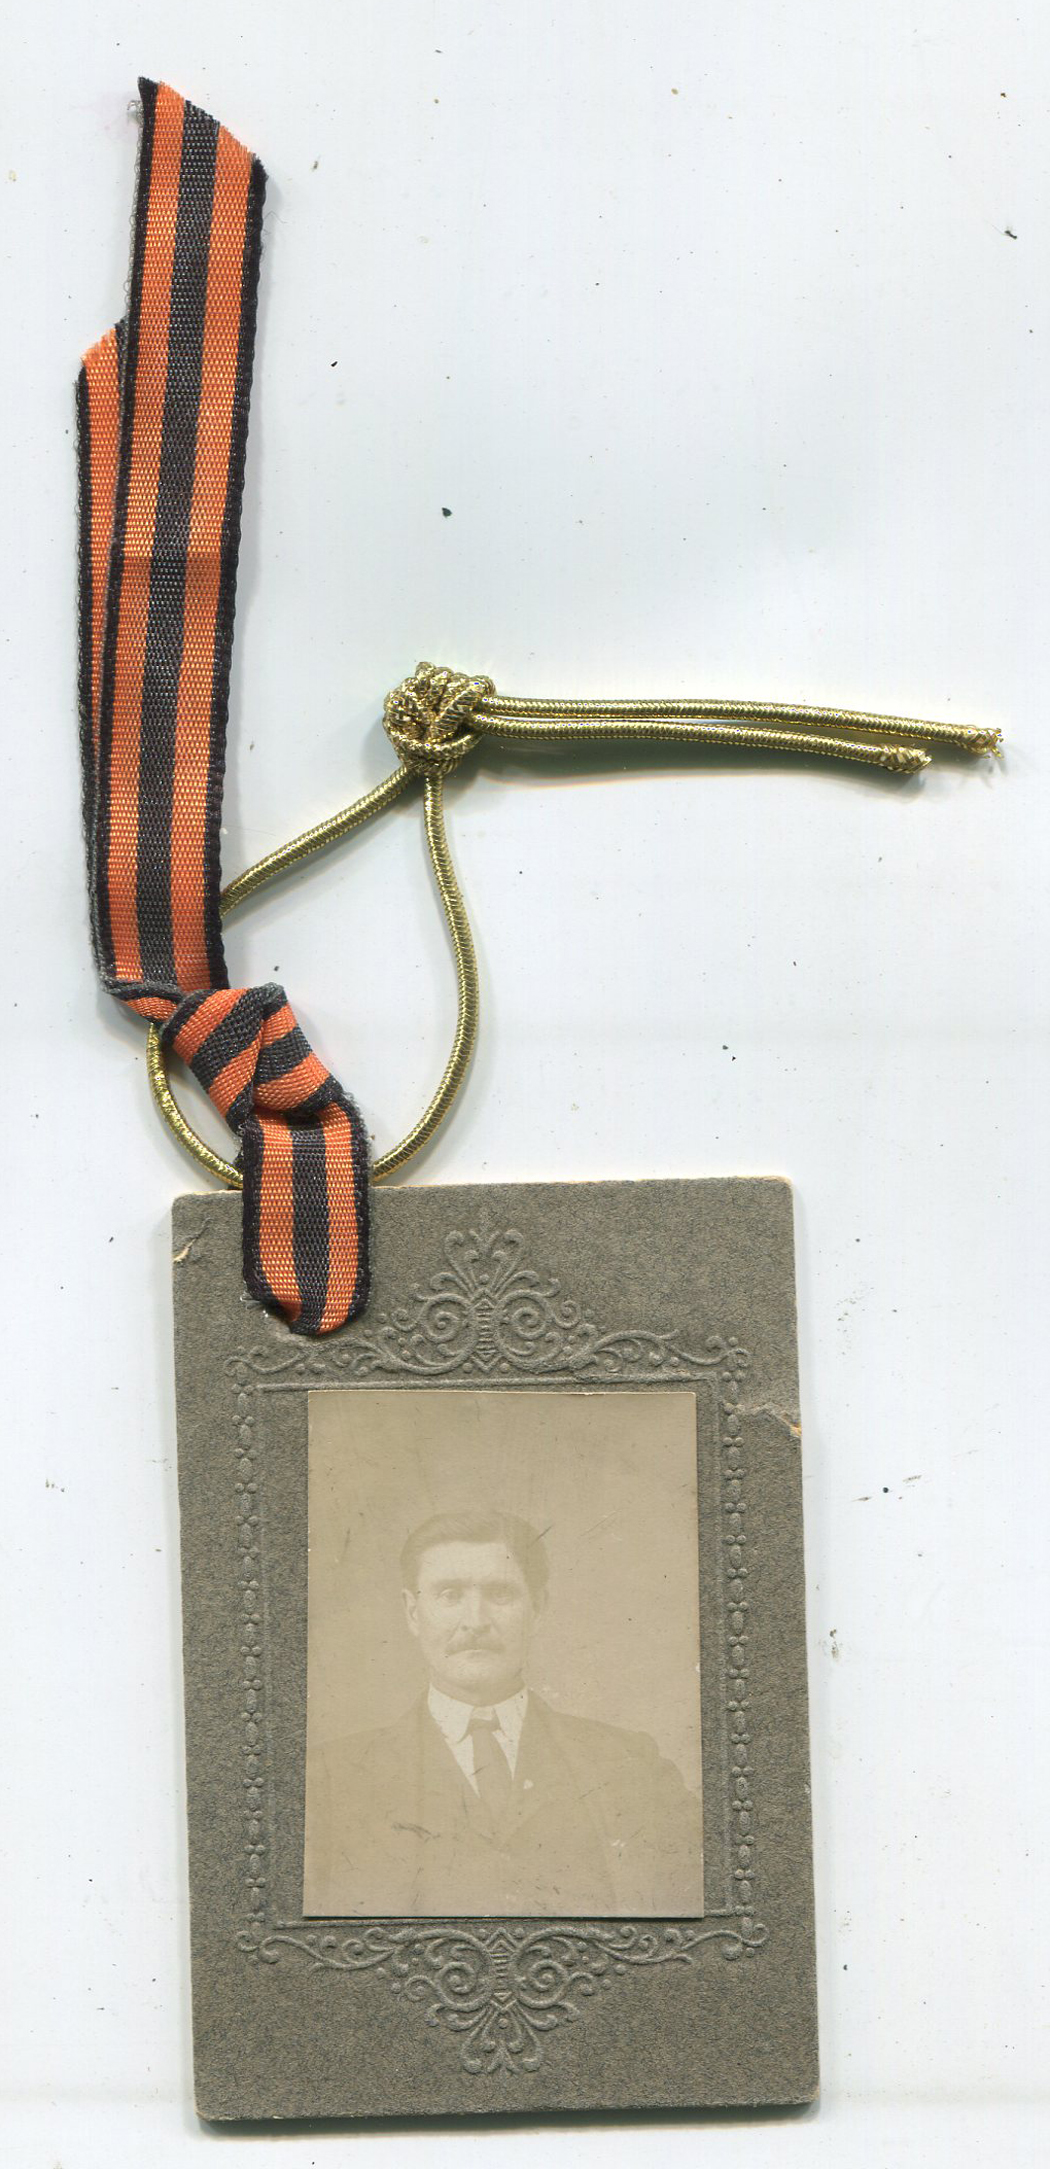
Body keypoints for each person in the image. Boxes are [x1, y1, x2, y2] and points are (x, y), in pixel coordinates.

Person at [304, 1507, 702, 1917]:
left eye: (499, 1594)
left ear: (538, 1608)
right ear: (412, 1612)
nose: (475, 1621)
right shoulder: (327, 1784)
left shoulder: (631, 1765)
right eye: (450, 1595)